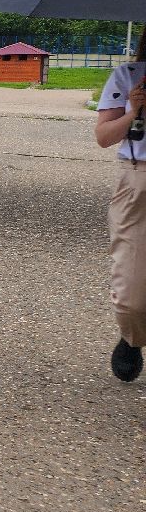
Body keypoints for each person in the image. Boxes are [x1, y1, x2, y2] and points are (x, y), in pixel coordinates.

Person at [95, 31, 146, 383]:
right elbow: (103, 137)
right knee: (131, 294)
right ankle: (133, 337)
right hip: (137, 181)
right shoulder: (128, 76)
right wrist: (135, 111)